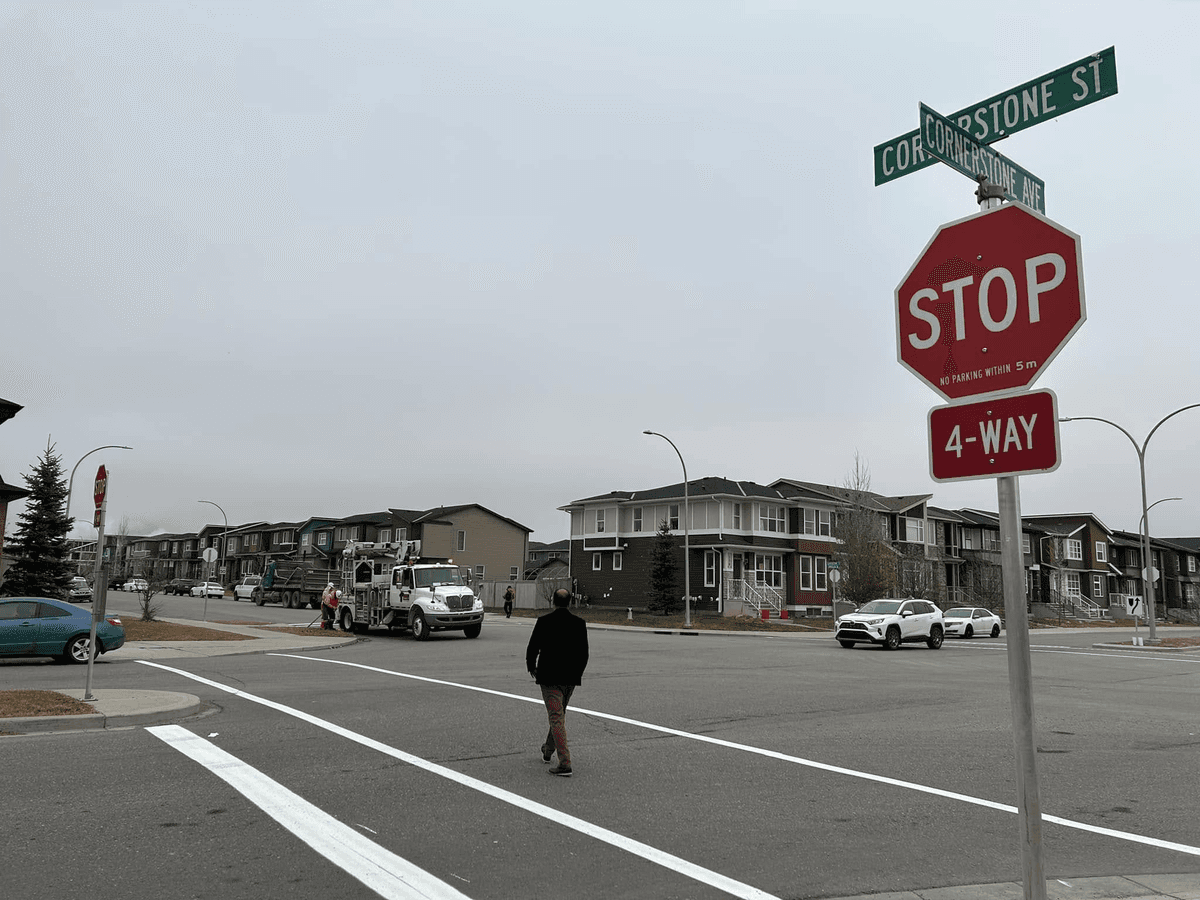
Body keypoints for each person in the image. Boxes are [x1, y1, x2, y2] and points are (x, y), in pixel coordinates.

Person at [525, 588, 589, 776]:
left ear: (553, 601)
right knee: (558, 715)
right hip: (569, 679)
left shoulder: (544, 622)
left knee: (556, 717)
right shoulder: (579, 624)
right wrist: (578, 673)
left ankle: (565, 762)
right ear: (569, 602)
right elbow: (584, 653)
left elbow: (533, 647)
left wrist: (532, 667)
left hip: (549, 677)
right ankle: (548, 749)